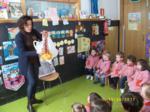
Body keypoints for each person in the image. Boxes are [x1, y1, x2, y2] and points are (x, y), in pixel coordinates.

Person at [15, 15, 43, 112]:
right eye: (27, 25)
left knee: (35, 81)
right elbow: (22, 53)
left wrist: (45, 35)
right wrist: (37, 52)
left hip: (35, 61)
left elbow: (41, 38)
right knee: (32, 82)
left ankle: (33, 98)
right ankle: (29, 104)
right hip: (26, 63)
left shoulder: (34, 32)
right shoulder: (19, 36)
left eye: (31, 24)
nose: (29, 27)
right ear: (22, 25)